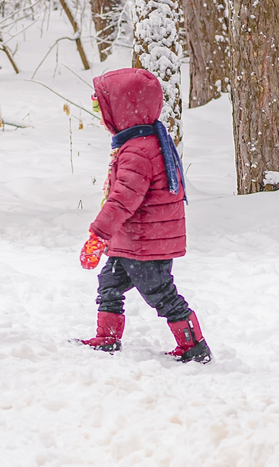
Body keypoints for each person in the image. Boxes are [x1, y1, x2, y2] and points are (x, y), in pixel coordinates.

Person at [76, 68, 211, 363]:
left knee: (161, 295)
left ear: (123, 110)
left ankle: (194, 345)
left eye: (104, 109)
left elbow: (122, 200)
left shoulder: (138, 151)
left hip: (145, 245)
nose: (101, 118)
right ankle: (106, 338)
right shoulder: (145, 142)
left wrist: (98, 235)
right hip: (135, 241)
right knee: (109, 283)